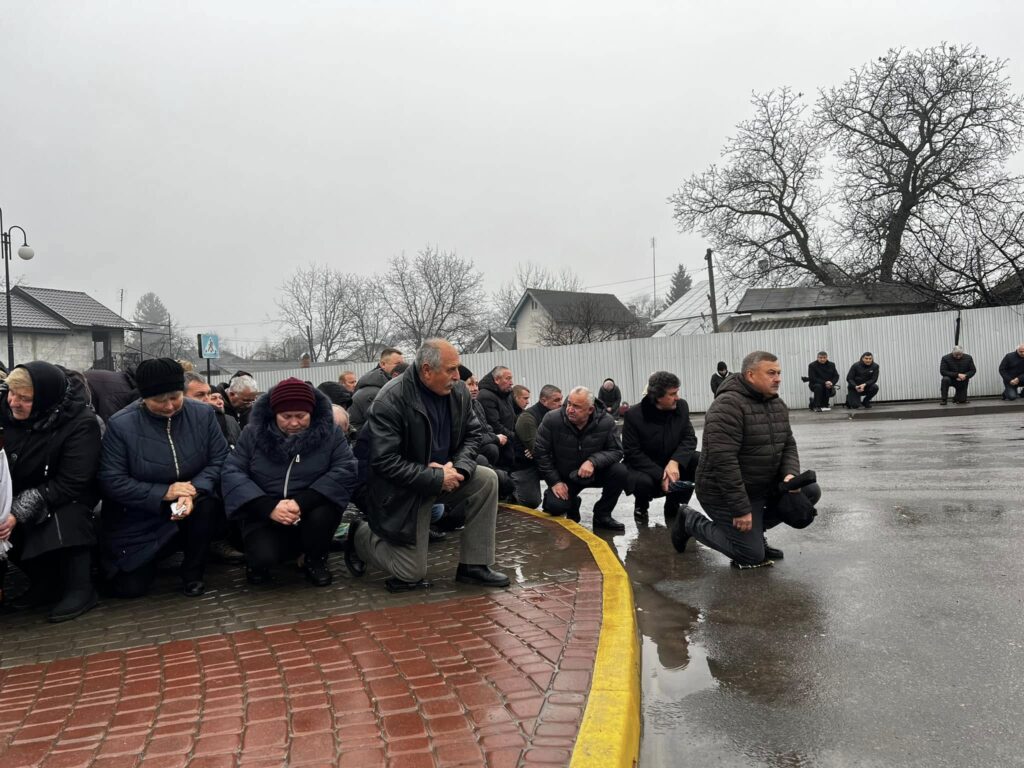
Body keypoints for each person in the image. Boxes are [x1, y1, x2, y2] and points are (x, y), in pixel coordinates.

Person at [346, 339, 509, 592]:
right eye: (450, 370)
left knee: (486, 479)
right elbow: (384, 461)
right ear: (426, 370)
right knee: (410, 573)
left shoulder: (459, 393)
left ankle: (474, 566)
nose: (458, 376)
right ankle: (359, 536)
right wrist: (432, 475)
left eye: (458, 368)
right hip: (401, 489)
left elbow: (473, 434)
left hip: (440, 475)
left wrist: (459, 468)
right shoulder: (390, 400)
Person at [672, 350, 821, 567]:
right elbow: (724, 462)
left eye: (779, 373)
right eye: (771, 373)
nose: (778, 378)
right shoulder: (727, 406)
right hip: (723, 493)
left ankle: (755, 531)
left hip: (760, 487)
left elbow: (788, 443)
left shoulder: (777, 404)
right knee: (751, 556)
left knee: (809, 491)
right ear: (750, 375)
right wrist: (740, 509)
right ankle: (689, 520)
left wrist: (790, 474)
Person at [98, 358, 229, 597]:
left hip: (192, 502)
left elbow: (220, 459)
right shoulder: (120, 425)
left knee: (208, 506)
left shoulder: (203, 414)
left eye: (175, 397)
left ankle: (193, 572)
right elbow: (112, 480)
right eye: (159, 400)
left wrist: (193, 490)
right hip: (143, 514)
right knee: (130, 589)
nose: (169, 406)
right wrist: (164, 493)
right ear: (144, 398)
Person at [221, 378, 358, 586]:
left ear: (311, 413)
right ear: (273, 414)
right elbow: (233, 470)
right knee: (263, 558)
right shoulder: (252, 433)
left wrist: (301, 502)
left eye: (301, 416)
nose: (294, 423)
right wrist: (267, 506)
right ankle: (269, 557)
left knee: (325, 512)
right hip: (265, 509)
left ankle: (316, 559)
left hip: (310, 508)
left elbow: (345, 468)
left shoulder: (331, 433)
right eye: (286, 417)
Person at [0, 362, 102, 622]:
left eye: (25, 399)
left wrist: (18, 511)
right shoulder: (5, 413)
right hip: (13, 490)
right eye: (12, 393)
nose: (13, 402)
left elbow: (73, 480)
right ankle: (44, 583)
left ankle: (80, 586)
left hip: (62, 494)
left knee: (67, 518)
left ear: (45, 398)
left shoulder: (80, 423)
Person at [534, 386, 627, 532]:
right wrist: (555, 482)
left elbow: (616, 451)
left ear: (590, 410)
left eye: (576, 407)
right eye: (569, 404)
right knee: (554, 507)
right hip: (565, 476)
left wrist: (593, 461)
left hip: (594, 472)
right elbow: (541, 453)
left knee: (620, 471)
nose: (570, 409)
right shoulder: (552, 419)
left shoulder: (606, 422)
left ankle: (602, 515)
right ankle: (572, 503)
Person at [623, 371, 699, 525]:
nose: (677, 397)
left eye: (677, 392)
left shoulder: (681, 407)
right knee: (642, 482)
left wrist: (675, 461)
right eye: (672, 394)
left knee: (699, 460)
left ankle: (674, 504)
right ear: (657, 397)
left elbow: (689, 438)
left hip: (672, 460)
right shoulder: (634, 415)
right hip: (645, 465)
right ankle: (641, 505)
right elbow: (632, 452)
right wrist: (662, 475)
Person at [511, 384, 563, 509]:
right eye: (556, 400)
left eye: (561, 399)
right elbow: (537, 450)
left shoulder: (560, 416)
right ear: (544, 401)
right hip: (525, 465)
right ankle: (510, 490)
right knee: (530, 502)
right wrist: (542, 450)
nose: (560, 404)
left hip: (546, 460)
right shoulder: (527, 418)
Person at [348, 349, 406, 430]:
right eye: (397, 364)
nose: (402, 367)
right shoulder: (375, 392)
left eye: (403, 364)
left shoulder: (385, 386)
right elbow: (381, 426)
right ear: (382, 364)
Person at [476, 366, 516, 470]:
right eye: (508, 379)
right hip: (498, 450)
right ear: (496, 380)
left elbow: (513, 417)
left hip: (508, 447)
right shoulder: (486, 396)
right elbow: (495, 426)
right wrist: (517, 439)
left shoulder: (507, 394)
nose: (511, 383)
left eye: (511, 378)